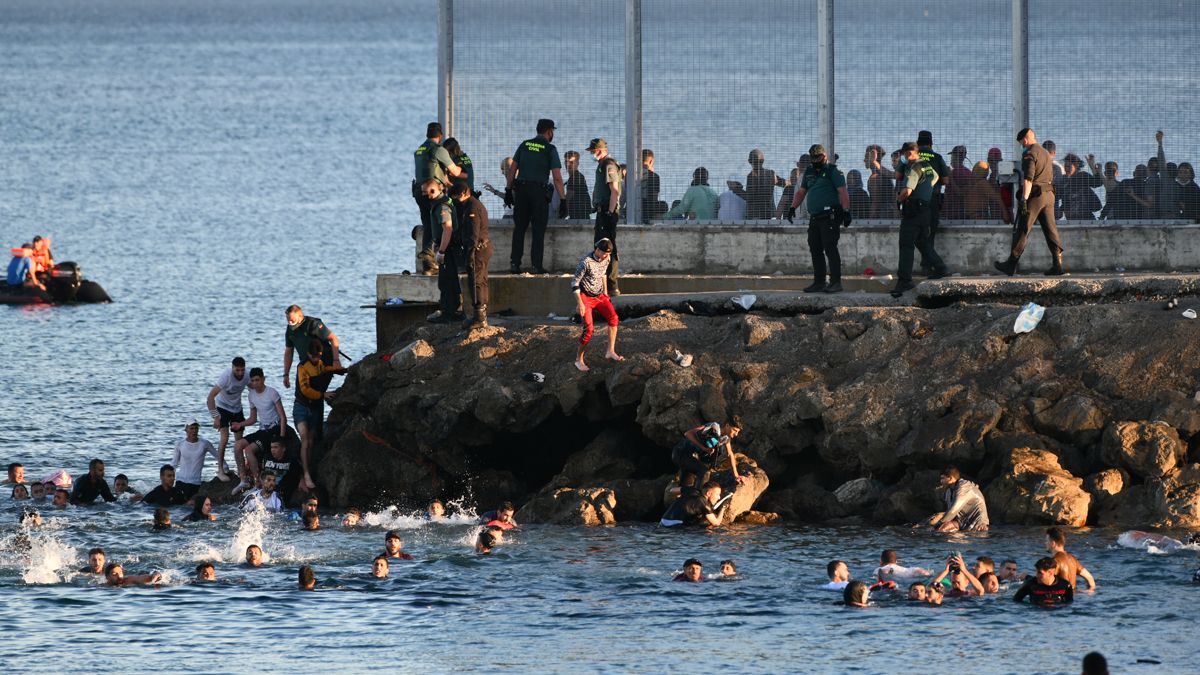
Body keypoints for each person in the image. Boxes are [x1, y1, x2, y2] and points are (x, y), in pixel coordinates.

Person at [994, 128, 1065, 276]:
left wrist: (1024, 200)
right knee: (1050, 229)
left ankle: (1011, 264)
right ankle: (1057, 264)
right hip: (1049, 195)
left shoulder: (1029, 154)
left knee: (1023, 229)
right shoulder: (1046, 153)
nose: (1022, 146)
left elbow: (1028, 179)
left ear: (1025, 140)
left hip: (1035, 196)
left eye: (1021, 143)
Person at [788, 144, 851, 294]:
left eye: (819, 157)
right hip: (815, 218)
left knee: (830, 248)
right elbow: (801, 193)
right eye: (814, 158)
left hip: (830, 216)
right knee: (815, 248)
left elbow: (843, 192)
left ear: (825, 156)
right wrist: (792, 208)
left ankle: (836, 282)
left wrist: (846, 211)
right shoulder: (808, 172)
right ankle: (819, 282)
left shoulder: (832, 171)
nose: (816, 160)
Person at [508, 119, 567, 274]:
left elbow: (512, 169)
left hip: (521, 191)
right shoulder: (550, 149)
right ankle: (536, 266)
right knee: (538, 230)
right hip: (538, 193)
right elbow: (557, 178)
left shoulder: (524, 145)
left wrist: (508, 190)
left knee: (519, 228)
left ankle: (515, 264)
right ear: (549, 132)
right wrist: (563, 199)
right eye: (552, 131)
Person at [891, 141, 948, 298]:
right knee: (922, 242)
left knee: (906, 245)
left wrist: (898, 200)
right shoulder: (927, 165)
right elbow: (935, 178)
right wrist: (925, 190)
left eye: (903, 155)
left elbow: (907, 191)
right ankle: (940, 267)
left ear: (909, 153)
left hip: (913, 211)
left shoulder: (914, 167)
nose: (902, 157)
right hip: (925, 210)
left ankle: (904, 281)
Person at [294, 341, 347, 490]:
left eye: (319, 356)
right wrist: (323, 394)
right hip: (301, 407)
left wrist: (341, 370)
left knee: (311, 441)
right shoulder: (302, 367)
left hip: (315, 408)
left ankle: (308, 471)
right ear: (309, 354)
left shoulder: (320, 363)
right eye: (315, 357)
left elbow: (325, 368)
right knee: (305, 438)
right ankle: (305, 474)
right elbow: (305, 390)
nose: (317, 359)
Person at [413, 122, 464, 274]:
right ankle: (432, 256)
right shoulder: (438, 149)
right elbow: (455, 172)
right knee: (439, 225)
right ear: (440, 136)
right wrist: (461, 167)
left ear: (427, 134)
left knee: (427, 224)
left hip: (419, 191)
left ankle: (428, 265)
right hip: (433, 192)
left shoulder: (419, 149)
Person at [570, 238, 623, 372]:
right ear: (597, 250)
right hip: (585, 297)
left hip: (599, 295)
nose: (606, 256)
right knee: (589, 330)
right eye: (604, 253)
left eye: (608, 254)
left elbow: (603, 274)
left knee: (614, 318)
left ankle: (610, 351)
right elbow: (574, 284)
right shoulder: (585, 262)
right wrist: (580, 303)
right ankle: (578, 359)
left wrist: (605, 292)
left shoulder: (607, 258)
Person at [231, 368, 286, 495]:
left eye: (257, 380)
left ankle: (257, 484)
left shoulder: (272, 393)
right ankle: (243, 480)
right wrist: (240, 424)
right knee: (238, 445)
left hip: (274, 429)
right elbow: (253, 418)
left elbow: (283, 417)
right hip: (262, 429)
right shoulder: (251, 395)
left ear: (263, 379)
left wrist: (282, 438)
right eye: (253, 381)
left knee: (249, 450)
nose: (255, 383)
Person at [452, 180, 492, 329]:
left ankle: (479, 317)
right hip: (483, 248)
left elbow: (473, 234)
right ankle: (481, 314)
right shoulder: (472, 204)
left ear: (463, 194)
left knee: (476, 281)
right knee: (481, 281)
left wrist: (469, 254)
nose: (455, 200)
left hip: (478, 250)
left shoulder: (472, 208)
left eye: (456, 197)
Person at [425, 178, 466, 324]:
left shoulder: (442, 206)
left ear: (435, 190)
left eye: (428, 192)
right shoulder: (442, 202)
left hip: (448, 248)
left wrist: (441, 251)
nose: (426, 195)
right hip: (449, 247)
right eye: (424, 192)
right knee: (450, 280)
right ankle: (454, 310)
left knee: (446, 281)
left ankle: (448, 313)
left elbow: (447, 229)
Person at [586, 138, 622, 294]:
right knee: (600, 247)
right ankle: (601, 284)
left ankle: (612, 285)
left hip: (608, 210)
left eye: (593, 152)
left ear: (599, 151)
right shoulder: (601, 166)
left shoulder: (608, 165)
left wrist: (609, 211)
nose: (592, 154)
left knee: (607, 248)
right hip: (603, 210)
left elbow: (614, 190)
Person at [282, 305, 341, 398]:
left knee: (314, 395)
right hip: (305, 365)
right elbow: (289, 352)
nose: (290, 323)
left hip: (322, 363)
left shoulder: (313, 324)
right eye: (288, 320)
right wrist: (286, 374)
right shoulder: (290, 329)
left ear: (300, 316)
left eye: (292, 320)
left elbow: (334, 339)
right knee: (301, 395)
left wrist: (336, 361)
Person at [206, 356, 249, 482]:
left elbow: (255, 389)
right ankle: (220, 469)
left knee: (239, 441)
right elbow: (210, 398)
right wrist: (215, 417)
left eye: (242, 370)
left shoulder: (247, 375)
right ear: (232, 368)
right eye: (237, 370)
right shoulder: (226, 376)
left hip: (237, 408)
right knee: (224, 439)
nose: (240, 373)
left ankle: (241, 470)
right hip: (223, 407)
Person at [671, 420, 744, 492]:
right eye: (735, 430)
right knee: (705, 472)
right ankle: (699, 498)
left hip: (691, 458)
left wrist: (736, 475)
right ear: (727, 425)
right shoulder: (713, 427)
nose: (736, 434)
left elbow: (730, 454)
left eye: (738, 432)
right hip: (681, 453)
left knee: (686, 486)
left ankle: (681, 496)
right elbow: (688, 433)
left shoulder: (726, 438)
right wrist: (703, 448)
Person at [916, 131, 951, 259]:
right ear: (931, 143)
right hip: (932, 200)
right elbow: (946, 181)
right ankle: (928, 264)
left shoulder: (912, 156)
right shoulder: (937, 157)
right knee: (930, 232)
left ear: (917, 143)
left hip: (914, 200)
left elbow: (900, 176)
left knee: (916, 232)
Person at [929, 466, 989, 532]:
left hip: (978, 524)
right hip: (962, 522)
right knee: (940, 530)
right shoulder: (949, 491)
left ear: (950, 478)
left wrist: (938, 524)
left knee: (938, 528)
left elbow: (954, 509)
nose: (941, 481)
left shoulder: (964, 487)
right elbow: (949, 513)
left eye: (943, 478)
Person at [172, 419, 218, 498]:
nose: (194, 431)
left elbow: (218, 457)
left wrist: (225, 469)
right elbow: (174, 464)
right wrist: (169, 482)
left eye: (196, 428)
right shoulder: (180, 444)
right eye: (191, 428)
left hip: (195, 483)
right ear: (186, 430)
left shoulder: (205, 444)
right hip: (180, 481)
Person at [254, 437, 303, 506]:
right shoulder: (267, 457)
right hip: (266, 489)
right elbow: (262, 472)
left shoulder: (291, 460)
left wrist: (302, 480)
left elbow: (300, 472)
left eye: (275, 447)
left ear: (283, 449)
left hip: (282, 492)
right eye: (271, 447)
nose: (273, 450)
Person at [661, 480, 728, 528]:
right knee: (705, 531)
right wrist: (723, 508)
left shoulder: (692, 490)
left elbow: (672, 490)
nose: (719, 497)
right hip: (674, 525)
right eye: (717, 494)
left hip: (663, 521)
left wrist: (680, 498)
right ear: (708, 493)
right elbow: (716, 523)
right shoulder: (704, 504)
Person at [1059, 154, 1102, 221]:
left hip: (1086, 219)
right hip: (1071, 220)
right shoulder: (1063, 180)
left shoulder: (1082, 176)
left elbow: (1097, 183)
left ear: (1076, 166)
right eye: (1065, 166)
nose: (1066, 168)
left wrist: (1092, 166)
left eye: (1069, 166)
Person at [745, 149, 786, 220]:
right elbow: (784, 183)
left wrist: (736, 189)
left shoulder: (750, 176)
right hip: (770, 214)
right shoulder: (771, 174)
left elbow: (749, 198)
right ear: (763, 160)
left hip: (756, 216)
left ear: (749, 161)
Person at [865, 146, 897, 219]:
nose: (864, 160)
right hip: (889, 214)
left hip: (881, 218)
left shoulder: (875, 177)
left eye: (866, 157)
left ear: (873, 156)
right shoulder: (884, 175)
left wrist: (869, 222)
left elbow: (875, 203)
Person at [482, 157, 515, 221]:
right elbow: (509, 196)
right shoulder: (511, 182)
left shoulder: (515, 182)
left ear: (509, 168)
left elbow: (511, 197)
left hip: (512, 216)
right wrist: (494, 191)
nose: (502, 173)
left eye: (503, 169)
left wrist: (495, 192)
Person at [563, 151, 592, 220]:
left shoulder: (576, 177)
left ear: (577, 163)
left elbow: (568, 198)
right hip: (579, 215)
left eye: (571, 162)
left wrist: (562, 215)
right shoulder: (575, 177)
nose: (568, 164)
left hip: (579, 216)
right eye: (566, 161)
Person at [641, 149, 667, 221]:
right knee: (663, 205)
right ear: (651, 161)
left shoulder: (630, 175)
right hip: (647, 210)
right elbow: (654, 197)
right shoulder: (654, 176)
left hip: (632, 208)